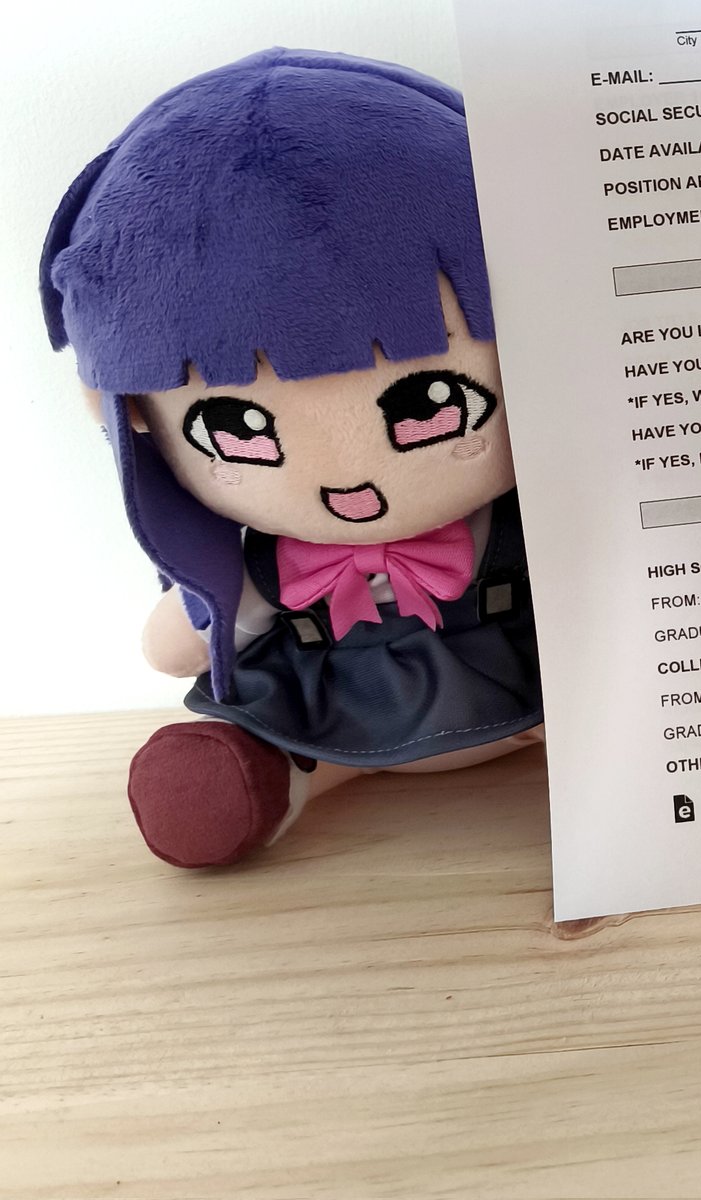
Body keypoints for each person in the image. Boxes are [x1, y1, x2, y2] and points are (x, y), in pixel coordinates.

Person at [42, 49, 542, 866]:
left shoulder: (536, 521)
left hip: (520, 681)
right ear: (128, 414)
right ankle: (263, 779)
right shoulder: (259, 567)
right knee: (250, 760)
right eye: (238, 428)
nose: (351, 480)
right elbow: (172, 649)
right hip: (330, 703)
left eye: (428, 404)